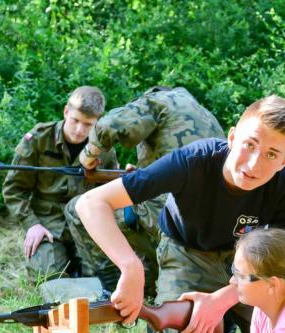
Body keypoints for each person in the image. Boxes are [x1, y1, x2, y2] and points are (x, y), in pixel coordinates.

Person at [75, 95, 285, 333]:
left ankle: (224, 319)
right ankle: (191, 323)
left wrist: (221, 300)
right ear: (232, 137)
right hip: (188, 252)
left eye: (271, 154)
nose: (254, 164)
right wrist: (130, 267)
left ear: (284, 161)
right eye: (250, 144)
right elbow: (91, 203)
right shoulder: (192, 161)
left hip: (251, 263)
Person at [65, 86, 224, 294]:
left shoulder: (160, 101)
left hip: (169, 215)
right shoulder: (207, 116)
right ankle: (148, 284)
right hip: (212, 223)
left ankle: (113, 286)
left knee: (77, 209)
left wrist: (88, 157)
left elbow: (109, 126)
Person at [2, 86, 123, 282]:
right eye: (75, 120)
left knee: (104, 280)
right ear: (66, 111)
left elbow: (112, 192)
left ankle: (79, 266)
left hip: (87, 227)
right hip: (48, 225)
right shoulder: (39, 139)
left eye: (88, 124)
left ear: (98, 122)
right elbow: (14, 190)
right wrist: (32, 225)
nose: (79, 130)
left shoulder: (103, 149)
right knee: (50, 279)